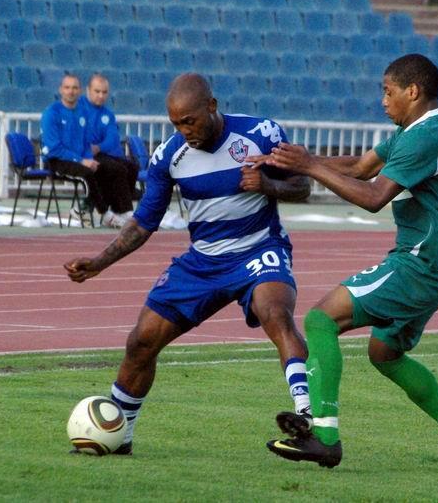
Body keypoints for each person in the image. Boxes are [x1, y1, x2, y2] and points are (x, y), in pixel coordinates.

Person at [255, 54, 438, 470]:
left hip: (417, 265)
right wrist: (290, 164)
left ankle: (324, 437)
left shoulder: (425, 137)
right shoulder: (418, 130)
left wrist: (310, 166)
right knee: (385, 353)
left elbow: (373, 197)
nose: (383, 101)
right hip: (433, 266)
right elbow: (360, 167)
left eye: (388, 92)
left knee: (321, 320)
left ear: (412, 91)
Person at [65, 73, 313, 455]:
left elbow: (303, 186)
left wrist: (268, 186)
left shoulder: (261, 134)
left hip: (258, 249)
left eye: (190, 121)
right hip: (203, 262)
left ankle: (307, 415)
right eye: (176, 124)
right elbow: (144, 222)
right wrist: (100, 261)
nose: (184, 131)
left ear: (211, 106)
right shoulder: (169, 156)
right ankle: (120, 436)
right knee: (141, 340)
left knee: (275, 313)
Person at [40, 74, 133, 228]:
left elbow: (85, 143)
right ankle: (104, 214)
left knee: (108, 168)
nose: (71, 91)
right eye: (67, 88)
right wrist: (82, 161)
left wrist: (90, 159)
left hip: (77, 158)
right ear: (61, 90)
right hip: (57, 160)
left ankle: (118, 211)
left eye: (74, 88)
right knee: (87, 173)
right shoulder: (52, 113)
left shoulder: (81, 113)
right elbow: (54, 148)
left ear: (80, 91)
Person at [80, 73, 141, 202]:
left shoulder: (108, 114)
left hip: (99, 153)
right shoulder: (78, 108)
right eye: (97, 91)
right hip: (82, 155)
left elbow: (112, 139)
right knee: (116, 168)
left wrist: (98, 147)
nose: (101, 96)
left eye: (104, 92)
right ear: (88, 90)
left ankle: (123, 199)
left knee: (132, 167)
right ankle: (113, 201)